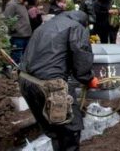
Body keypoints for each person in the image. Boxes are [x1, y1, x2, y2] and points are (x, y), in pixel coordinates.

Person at [19, 10, 99, 151]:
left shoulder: (44, 26)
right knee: (71, 129)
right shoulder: (76, 27)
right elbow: (81, 58)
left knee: (55, 130)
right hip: (50, 87)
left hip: (26, 82)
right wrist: (88, 79)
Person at [3, 0, 32, 64]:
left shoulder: (22, 4)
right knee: (16, 58)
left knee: (25, 57)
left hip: (27, 35)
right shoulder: (12, 4)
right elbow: (7, 19)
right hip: (18, 37)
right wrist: (15, 30)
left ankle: (21, 74)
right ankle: (13, 74)